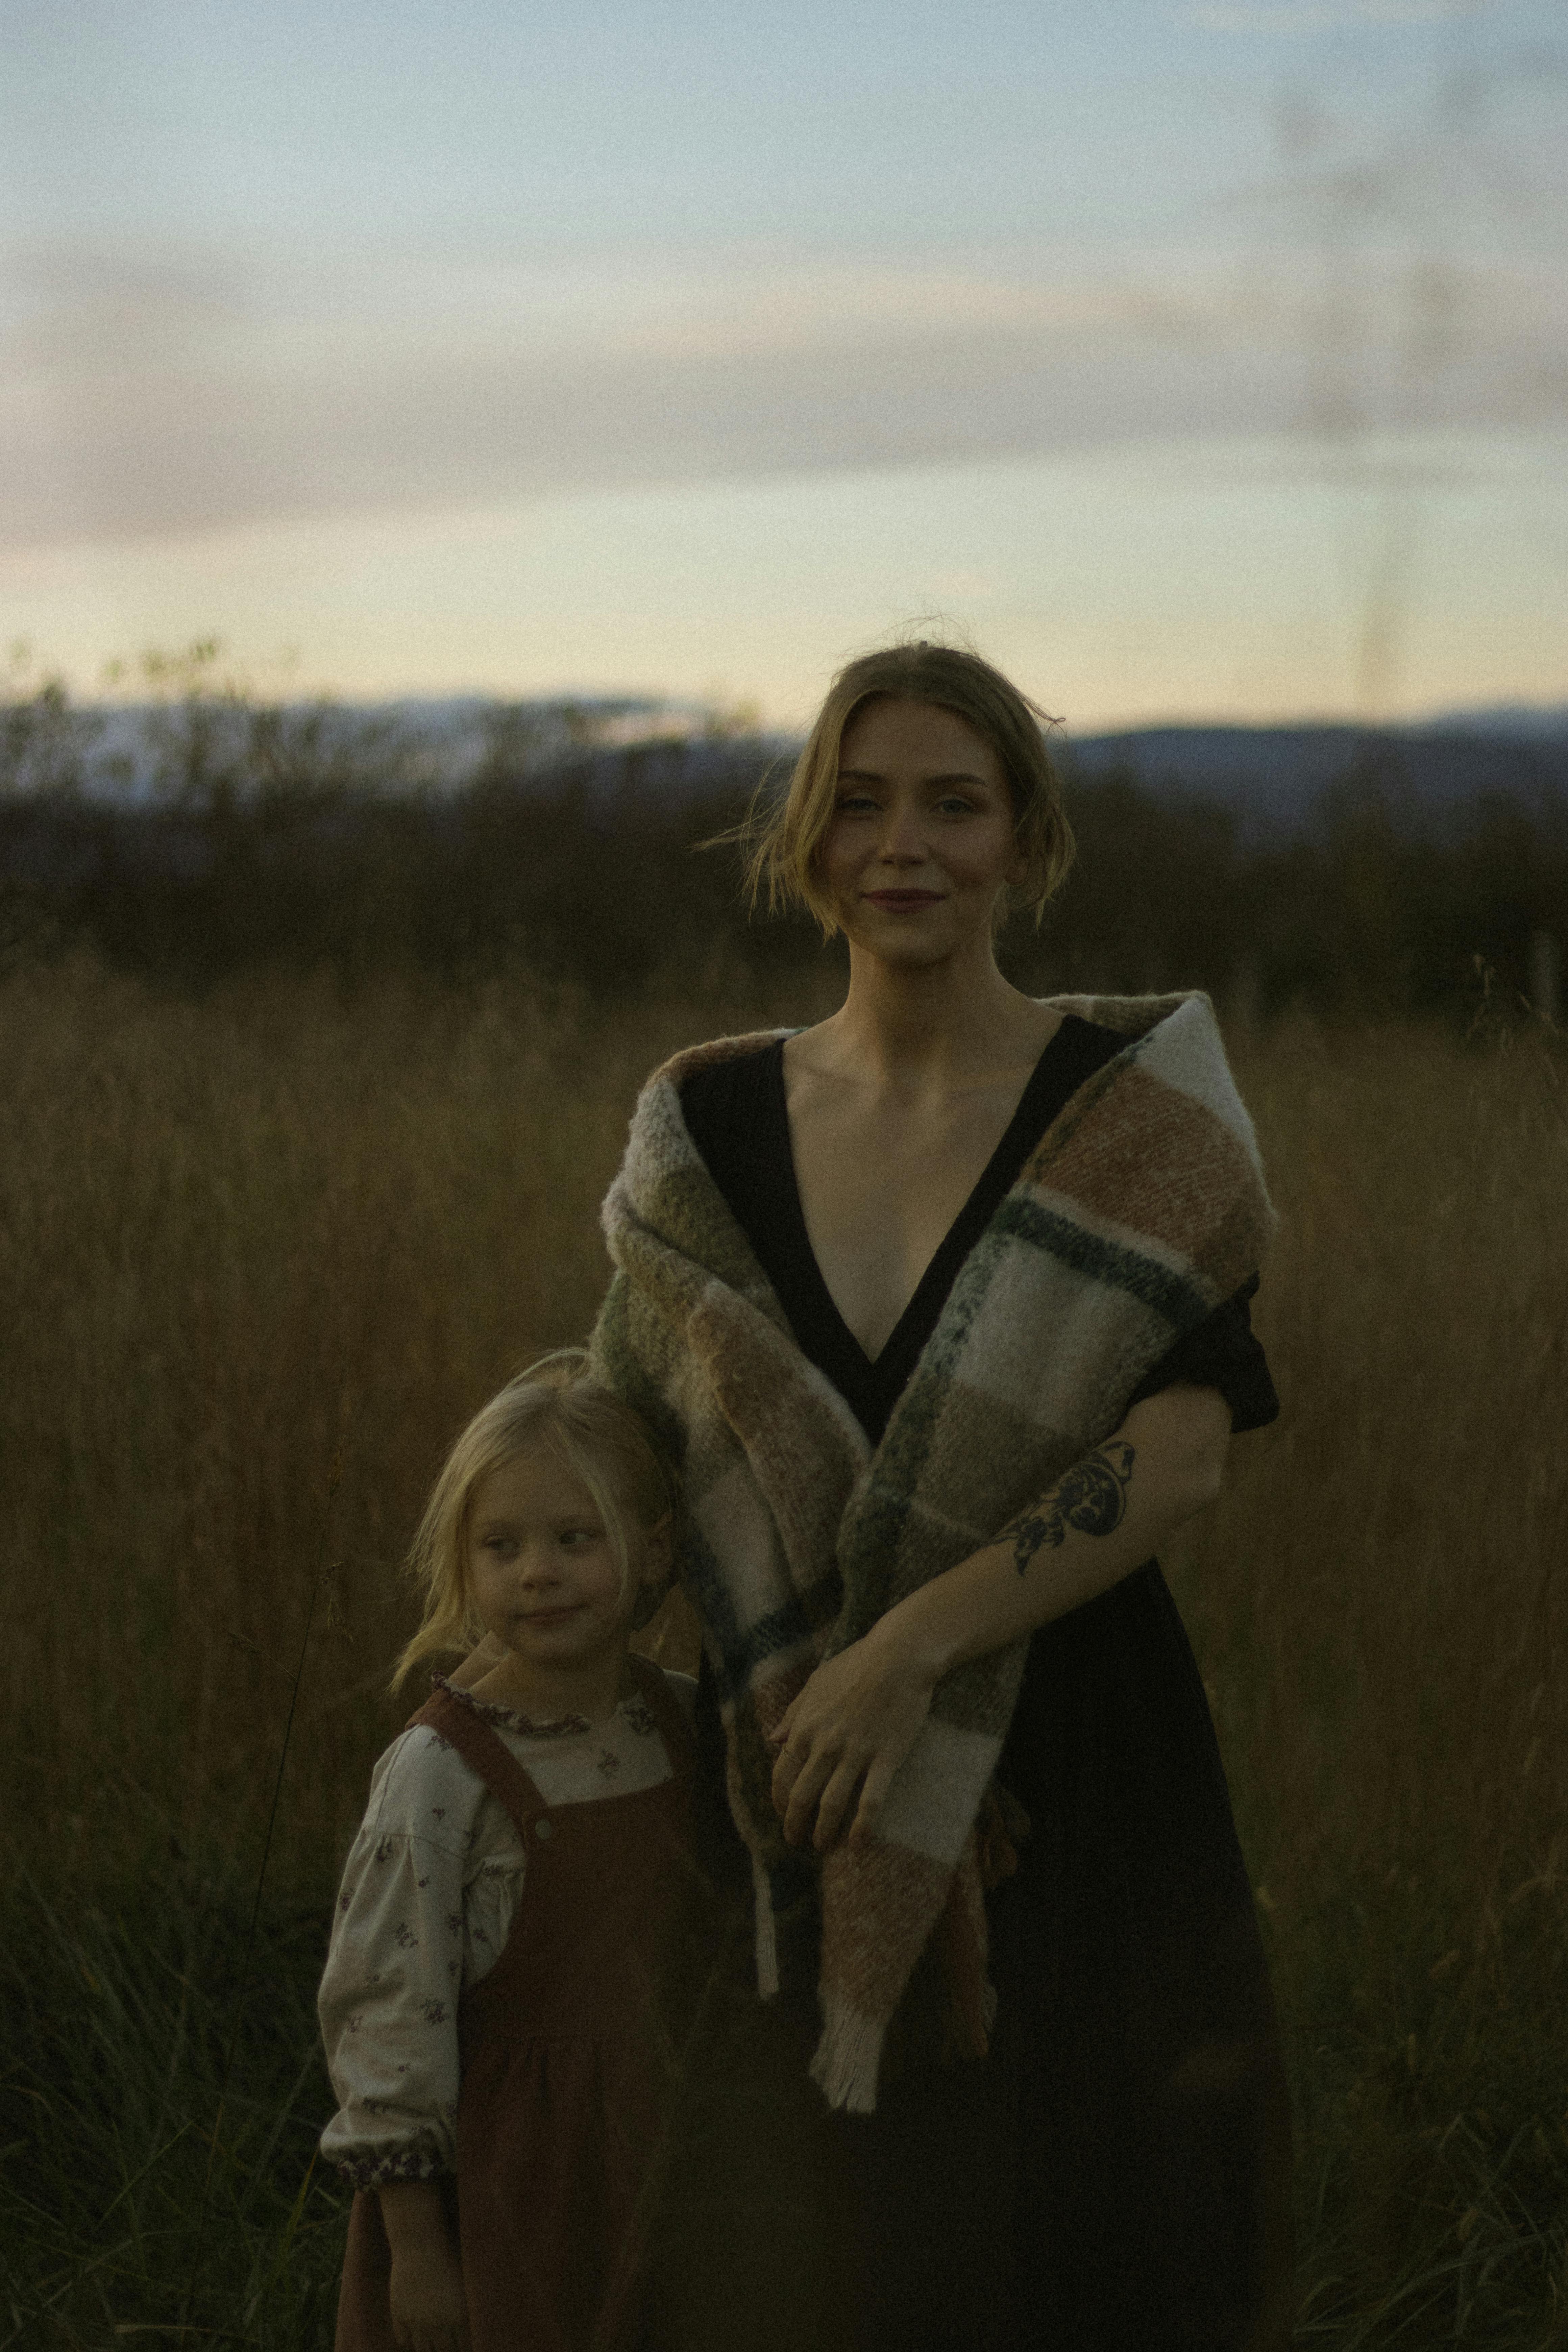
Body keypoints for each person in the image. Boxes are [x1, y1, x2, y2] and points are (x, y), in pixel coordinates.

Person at [589, 641, 1294, 2351]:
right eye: (858, 801)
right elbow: (624, 1430)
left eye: (952, 804)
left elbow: (1186, 1444)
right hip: (791, 1777)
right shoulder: (702, 1122)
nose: (900, 843)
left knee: (1082, 2253)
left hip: (1068, 1767)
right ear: (807, 840)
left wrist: (906, 1656)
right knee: (782, 2263)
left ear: (1022, 841)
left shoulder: (1132, 1114)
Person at [318, 1361, 707, 2352]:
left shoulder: (683, 1723)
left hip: (670, 2163)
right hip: (508, 2190)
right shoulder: (441, 1777)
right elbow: (387, 2015)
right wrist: (419, 2251)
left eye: (576, 1539)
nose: (538, 1571)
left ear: (655, 1549)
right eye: (503, 1546)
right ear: (464, 1563)